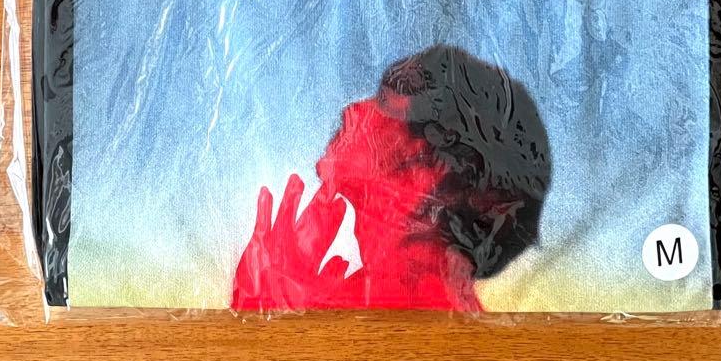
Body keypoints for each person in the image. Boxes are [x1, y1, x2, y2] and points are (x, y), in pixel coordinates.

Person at [232, 44, 551, 310]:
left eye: (387, 104)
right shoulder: (364, 301)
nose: (356, 110)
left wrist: (266, 325)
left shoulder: (422, 316)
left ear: (432, 173)